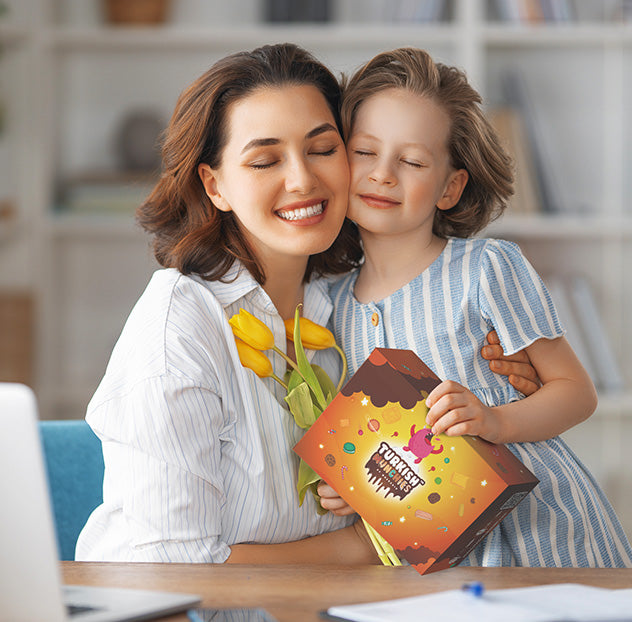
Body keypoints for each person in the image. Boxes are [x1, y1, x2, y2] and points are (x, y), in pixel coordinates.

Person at [74, 43, 539, 565]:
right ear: (215, 185)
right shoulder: (181, 326)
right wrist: (362, 545)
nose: (302, 180)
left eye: (322, 149)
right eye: (264, 160)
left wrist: (498, 372)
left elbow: (421, 484)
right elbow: (172, 571)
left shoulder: (342, 308)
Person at [323, 48, 632, 567]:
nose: (382, 174)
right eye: (365, 152)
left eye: (413, 161)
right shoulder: (330, 307)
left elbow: (576, 393)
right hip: (434, 557)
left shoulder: (488, 268)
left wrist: (494, 421)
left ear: (450, 186)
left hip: (543, 539)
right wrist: (351, 488)